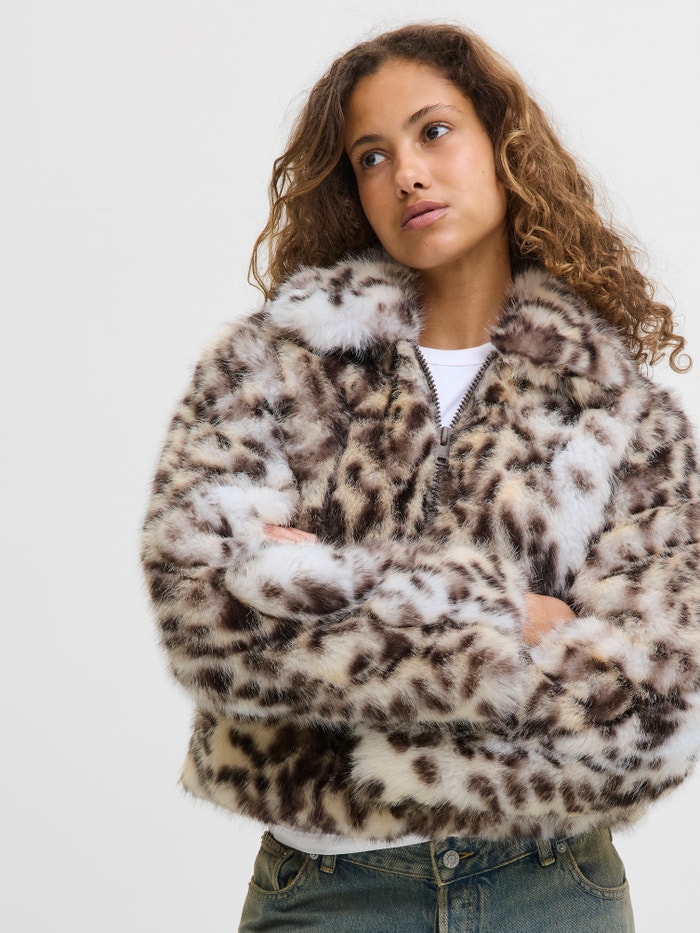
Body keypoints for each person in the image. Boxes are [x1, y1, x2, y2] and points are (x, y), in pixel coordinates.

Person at [141, 22, 700, 932]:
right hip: (330, 890)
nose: (405, 173)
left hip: (550, 886)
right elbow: (206, 622)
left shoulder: (616, 409)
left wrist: (323, 583)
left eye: (433, 132)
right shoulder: (271, 370)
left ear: (502, 146)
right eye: (372, 156)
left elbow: (652, 710)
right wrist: (509, 618)